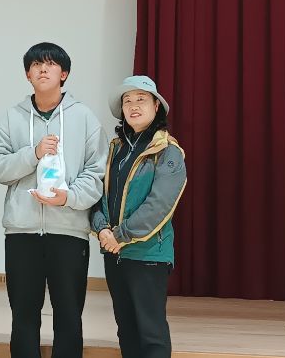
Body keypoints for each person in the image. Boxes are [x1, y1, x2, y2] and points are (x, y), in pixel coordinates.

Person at [0, 42, 107, 358]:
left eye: (51, 64)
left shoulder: (84, 117)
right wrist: (33, 153)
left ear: (63, 74)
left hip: (69, 231)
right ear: (28, 74)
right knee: (23, 315)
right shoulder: (12, 117)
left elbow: (96, 172)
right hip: (22, 232)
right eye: (36, 65)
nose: (43, 69)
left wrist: (69, 197)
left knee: (69, 315)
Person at [91, 76, 187, 358]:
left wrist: (119, 236)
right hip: (114, 253)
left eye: (141, 100)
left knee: (151, 332)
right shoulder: (115, 149)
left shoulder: (168, 151)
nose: (133, 106)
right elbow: (99, 196)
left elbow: (159, 205)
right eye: (127, 101)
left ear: (156, 106)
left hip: (148, 254)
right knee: (126, 329)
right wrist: (102, 229)